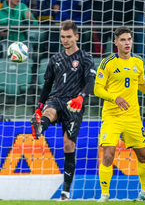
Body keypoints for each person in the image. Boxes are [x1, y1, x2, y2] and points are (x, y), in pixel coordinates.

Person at [30, 22, 96, 201]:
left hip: (74, 103)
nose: (65, 40)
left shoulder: (85, 57)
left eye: (68, 36)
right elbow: (47, 85)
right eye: (62, 37)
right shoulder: (55, 59)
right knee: (49, 112)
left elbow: (90, 82)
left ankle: (65, 191)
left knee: (68, 144)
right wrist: (38, 105)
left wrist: (81, 97)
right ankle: (40, 125)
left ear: (76, 37)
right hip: (57, 98)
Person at [94, 27, 145, 202]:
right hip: (112, 117)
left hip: (132, 117)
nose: (127, 43)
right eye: (123, 40)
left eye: (129, 39)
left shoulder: (138, 62)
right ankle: (105, 195)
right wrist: (114, 97)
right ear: (115, 42)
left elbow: (139, 84)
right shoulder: (107, 63)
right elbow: (97, 89)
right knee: (108, 154)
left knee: (144, 155)